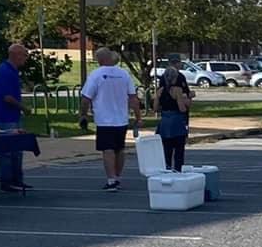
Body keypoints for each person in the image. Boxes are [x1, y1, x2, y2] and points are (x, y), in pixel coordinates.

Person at [79, 47, 140, 191]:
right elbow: (133, 97)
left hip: (104, 119)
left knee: (108, 149)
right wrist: (138, 116)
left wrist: (83, 114)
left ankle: (111, 180)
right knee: (119, 149)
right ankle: (117, 176)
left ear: (99, 59)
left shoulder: (96, 75)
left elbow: (86, 98)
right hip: (121, 118)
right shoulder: (124, 74)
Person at [0, 41, 31, 193]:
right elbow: (7, 97)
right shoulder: (5, 71)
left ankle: (17, 179)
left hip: (12, 116)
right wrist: (24, 108)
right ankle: (6, 180)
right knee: (8, 151)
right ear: (14, 55)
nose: (25, 58)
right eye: (23, 55)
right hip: (5, 117)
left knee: (17, 149)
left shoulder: (13, 70)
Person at [155, 63, 192, 171]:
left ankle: (166, 170)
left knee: (166, 150)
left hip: (165, 121)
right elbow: (182, 108)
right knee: (179, 151)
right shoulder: (177, 90)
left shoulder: (160, 91)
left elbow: (155, 108)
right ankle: (177, 171)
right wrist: (187, 101)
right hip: (176, 121)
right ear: (175, 78)